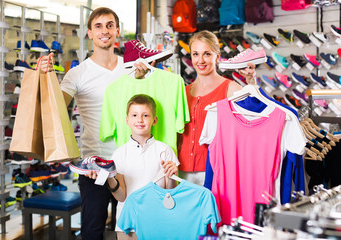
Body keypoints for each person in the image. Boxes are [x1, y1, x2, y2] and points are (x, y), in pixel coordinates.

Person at [38, 7, 151, 240]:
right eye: (98, 26)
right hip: (94, 165)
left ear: (117, 31)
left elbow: (145, 108)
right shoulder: (77, 74)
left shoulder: (133, 68)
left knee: (135, 231)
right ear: (89, 33)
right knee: (92, 232)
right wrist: (44, 77)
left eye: (109, 25)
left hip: (132, 161)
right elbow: (54, 110)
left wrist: (144, 80)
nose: (104, 31)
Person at [87, 94, 179, 240]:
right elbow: (121, 196)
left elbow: (170, 194)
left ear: (154, 120)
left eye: (145, 115)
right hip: (128, 225)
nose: (140, 120)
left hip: (159, 222)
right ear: (127, 120)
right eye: (135, 115)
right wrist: (109, 177)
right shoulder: (119, 154)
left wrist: (171, 175)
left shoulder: (165, 151)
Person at [177, 30, 256, 185]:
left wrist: (251, 83)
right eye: (195, 54)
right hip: (182, 171)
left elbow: (254, 115)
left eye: (207, 54)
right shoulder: (183, 92)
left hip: (215, 169)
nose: (200, 60)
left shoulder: (230, 88)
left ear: (217, 56)